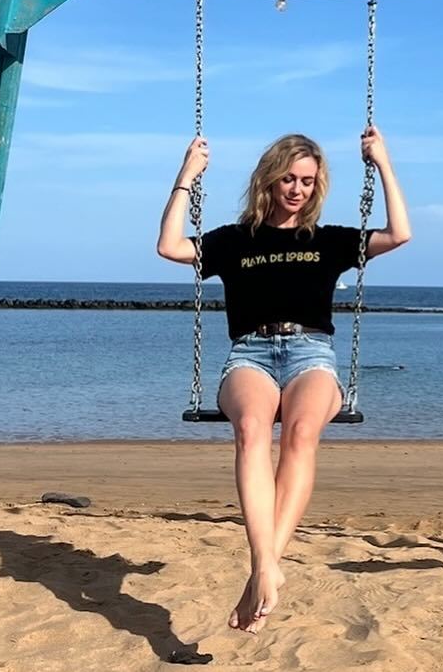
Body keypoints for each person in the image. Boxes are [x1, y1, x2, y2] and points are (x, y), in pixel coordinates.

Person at [156, 128, 411, 634]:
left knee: (299, 433)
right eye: (289, 179)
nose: (297, 189)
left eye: (308, 181)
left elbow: (399, 233)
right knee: (252, 428)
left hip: (311, 353)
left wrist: (382, 162)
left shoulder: (328, 240)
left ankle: (263, 568)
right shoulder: (234, 240)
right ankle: (265, 563)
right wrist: (187, 175)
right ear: (269, 181)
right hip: (249, 353)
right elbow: (168, 246)